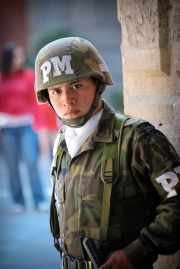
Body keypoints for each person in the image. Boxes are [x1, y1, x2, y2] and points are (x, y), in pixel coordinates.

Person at [34, 37, 180, 269]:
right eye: (56, 90)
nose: (67, 100)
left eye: (77, 85)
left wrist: (138, 252)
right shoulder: (62, 142)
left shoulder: (136, 138)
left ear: (98, 83)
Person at [0, 42, 48, 213]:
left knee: (31, 162)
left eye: (22, 55)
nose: (22, 58)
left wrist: (41, 129)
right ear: (9, 59)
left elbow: (36, 104)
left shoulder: (28, 75)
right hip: (6, 128)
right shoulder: (1, 77)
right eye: (18, 56)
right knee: (12, 166)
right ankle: (17, 201)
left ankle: (39, 199)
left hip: (27, 125)